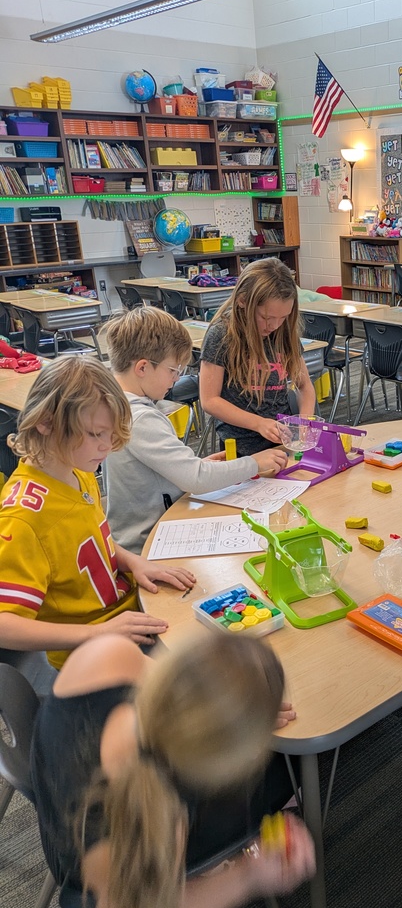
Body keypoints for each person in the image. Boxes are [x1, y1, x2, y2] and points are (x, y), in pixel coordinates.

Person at [30, 628, 316, 908]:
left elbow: (183, 692)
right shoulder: (160, 819)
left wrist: (229, 713)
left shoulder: (108, 654)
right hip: (86, 858)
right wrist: (247, 875)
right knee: (292, 767)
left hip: (54, 790)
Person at [0, 357, 194, 669]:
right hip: (90, 655)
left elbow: (87, 542)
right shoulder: (23, 518)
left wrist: (133, 562)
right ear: (46, 422)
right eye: (95, 434)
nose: (108, 446)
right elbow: (4, 625)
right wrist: (98, 632)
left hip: (124, 618)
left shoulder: (76, 468)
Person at [102, 306, 288, 554]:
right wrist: (254, 462)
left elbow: (156, 474)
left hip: (144, 531)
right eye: (173, 370)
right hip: (149, 542)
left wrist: (192, 466)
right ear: (142, 368)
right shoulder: (141, 418)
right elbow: (197, 480)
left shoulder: (117, 404)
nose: (176, 379)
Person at [199, 258, 315, 457]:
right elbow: (210, 400)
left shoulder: (283, 333)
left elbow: (304, 386)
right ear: (243, 301)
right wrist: (259, 424)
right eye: (267, 318)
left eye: (284, 317)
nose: (274, 326)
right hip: (241, 449)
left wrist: (304, 422)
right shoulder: (221, 334)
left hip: (282, 444)